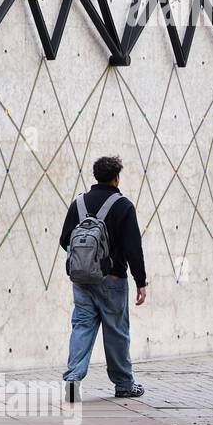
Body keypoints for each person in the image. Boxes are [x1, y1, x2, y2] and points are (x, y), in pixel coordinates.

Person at [59, 156, 148, 399]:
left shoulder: (78, 204)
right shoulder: (123, 206)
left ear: (96, 176)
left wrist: (84, 262)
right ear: (116, 177)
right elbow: (133, 248)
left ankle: (72, 382)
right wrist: (141, 281)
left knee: (82, 327)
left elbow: (64, 239)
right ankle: (124, 385)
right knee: (116, 331)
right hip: (113, 279)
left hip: (82, 280)